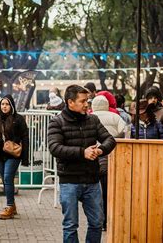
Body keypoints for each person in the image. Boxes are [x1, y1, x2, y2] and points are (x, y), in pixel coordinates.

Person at [48, 85, 116, 242]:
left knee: (97, 222)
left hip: (92, 180)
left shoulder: (93, 119)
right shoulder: (56, 122)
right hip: (69, 181)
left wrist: (100, 150)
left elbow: (109, 139)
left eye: (88, 100)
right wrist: (82, 152)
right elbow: (55, 148)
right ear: (70, 102)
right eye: (83, 101)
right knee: (71, 225)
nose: (87, 104)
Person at [0, 94, 29, 220]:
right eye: (2, 104)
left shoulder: (19, 119)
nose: (4, 106)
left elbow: (25, 137)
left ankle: (9, 206)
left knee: (7, 177)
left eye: (7, 104)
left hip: (13, 154)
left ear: (11, 105)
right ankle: (12, 206)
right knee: (6, 181)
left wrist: (25, 157)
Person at [90, 95, 125, 231]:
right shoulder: (115, 117)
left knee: (94, 192)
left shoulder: (89, 116)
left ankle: (99, 221)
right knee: (107, 190)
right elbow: (124, 130)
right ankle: (106, 219)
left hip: (93, 155)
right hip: (111, 155)